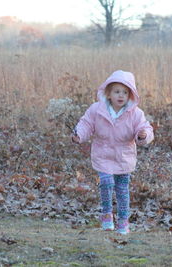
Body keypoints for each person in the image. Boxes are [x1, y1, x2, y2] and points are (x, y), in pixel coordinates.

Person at [72, 70, 154, 235]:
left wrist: (143, 135)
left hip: (124, 155)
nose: (121, 96)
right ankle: (106, 214)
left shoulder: (135, 113)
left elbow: (144, 127)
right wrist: (79, 135)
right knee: (106, 182)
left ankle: (123, 220)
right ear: (108, 93)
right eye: (117, 91)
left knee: (122, 188)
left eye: (125, 92)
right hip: (103, 154)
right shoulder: (97, 110)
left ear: (130, 95)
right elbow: (86, 124)